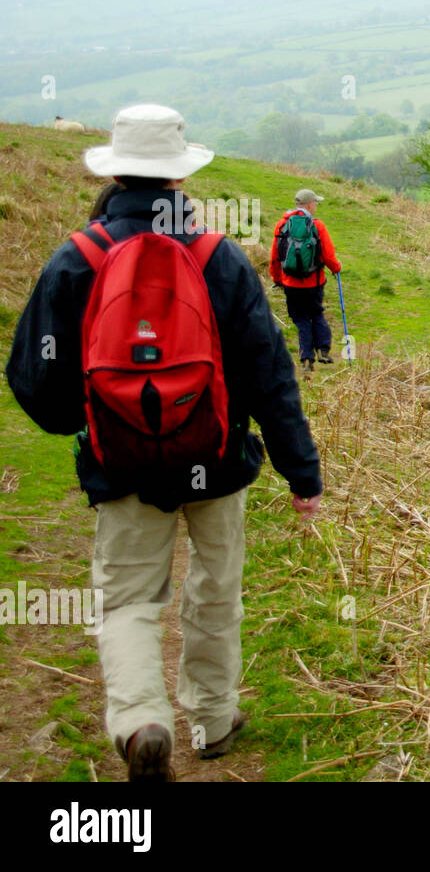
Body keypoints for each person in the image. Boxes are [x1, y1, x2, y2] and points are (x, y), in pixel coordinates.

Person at [5, 104, 324, 781]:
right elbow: (271, 373)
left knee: (127, 599)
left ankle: (141, 721)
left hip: (122, 466)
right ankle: (211, 720)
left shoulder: (78, 258)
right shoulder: (217, 257)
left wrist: (89, 423)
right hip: (216, 459)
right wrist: (302, 473)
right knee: (215, 591)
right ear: (180, 178)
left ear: (116, 171)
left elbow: (33, 376)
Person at [270, 189, 342, 373]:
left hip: (290, 284)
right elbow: (328, 255)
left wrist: (277, 279)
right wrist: (336, 268)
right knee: (316, 313)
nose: (316, 205)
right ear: (309, 204)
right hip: (314, 283)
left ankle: (306, 360)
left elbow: (275, 257)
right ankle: (324, 351)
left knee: (301, 319)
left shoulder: (281, 225)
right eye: (316, 202)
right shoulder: (317, 226)